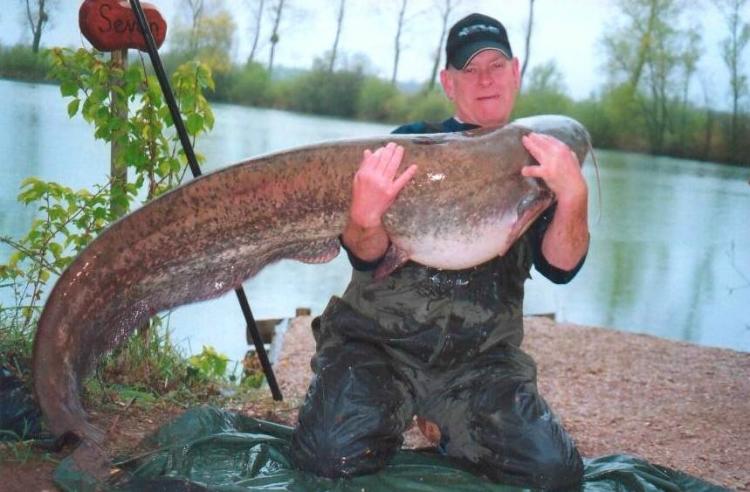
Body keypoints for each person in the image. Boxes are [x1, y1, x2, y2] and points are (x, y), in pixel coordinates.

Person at [291, 12, 589, 490]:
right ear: (448, 83)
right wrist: (363, 219)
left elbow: (561, 267)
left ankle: (447, 423)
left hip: (481, 362)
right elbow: (367, 256)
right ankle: (392, 412)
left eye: (495, 64)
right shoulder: (407, 143)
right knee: (329, 457)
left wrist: (574, 197)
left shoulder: (540, 158)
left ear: (516, 72)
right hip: (379, 347)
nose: (485, 78)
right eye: (469, 69)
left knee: (554, 473)